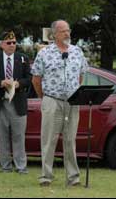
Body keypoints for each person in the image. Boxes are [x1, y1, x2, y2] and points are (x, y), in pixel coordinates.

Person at [31, 20, 88, 186]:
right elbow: (36, 79)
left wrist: (74, 91)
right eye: (63, 31)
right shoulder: (44, 53)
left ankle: (73, 178)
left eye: (68, 30)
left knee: (70, 140)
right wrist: (45, 98)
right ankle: (46, 177)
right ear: (54, 34)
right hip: (52, 100)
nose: (67, 34)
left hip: (72, 102)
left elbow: (81, 75)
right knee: (49, 140)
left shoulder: (77, 51)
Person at [0, 31, 31, 174]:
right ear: (2, 44)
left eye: (14, 43)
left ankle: (21, 167)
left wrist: (18, 84)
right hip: (0, 102)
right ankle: (5, 166)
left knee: (18, 136)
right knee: (2, 136)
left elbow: (29, 78)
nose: (12, 45)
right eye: (9, 43)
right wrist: (1, 82)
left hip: (17, 102)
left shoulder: (22, 58)